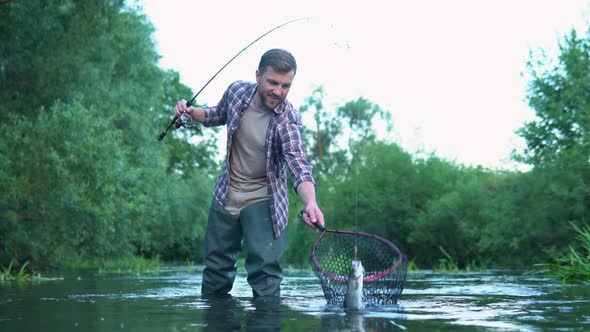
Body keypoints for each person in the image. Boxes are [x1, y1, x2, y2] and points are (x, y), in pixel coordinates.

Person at [173, 48, 325, 299]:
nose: (278, 91)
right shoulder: (237, 92)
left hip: (263, 198)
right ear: (258, 76)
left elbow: (298, 163)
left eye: (286, 86)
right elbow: (217, 114)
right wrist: (191, 111)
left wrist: (311, 203)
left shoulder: (288, 120)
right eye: (272, 82)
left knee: (265, 275)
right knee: (215, 271)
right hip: (226, 193)